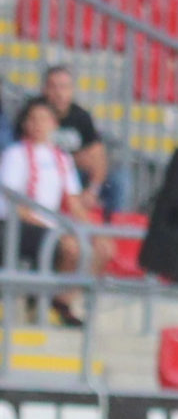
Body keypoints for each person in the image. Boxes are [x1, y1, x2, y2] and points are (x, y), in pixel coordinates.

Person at [2, 98, 93, 326]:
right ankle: (47, 302)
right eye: (32, 119)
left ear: (54, 124)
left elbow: (73, 201)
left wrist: (93, 231)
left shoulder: (62, 158)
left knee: (97, 248)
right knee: (69, 246)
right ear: (25, 124)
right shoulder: (15, 154)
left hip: (49, 226)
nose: (38, 124)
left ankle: (60, 302)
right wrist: (53, 227)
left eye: (43, 119)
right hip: (16, 225)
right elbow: (13, 204)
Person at [17, 66, 124, 220]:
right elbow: (26, 148)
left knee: (119, 179)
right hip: (44, 168)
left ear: (72, 90)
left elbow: (98, 156)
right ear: (44, 89)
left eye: (64, 87)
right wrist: (72, 159)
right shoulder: (33, 111)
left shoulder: (81, 117)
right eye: (54, 87)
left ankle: (114, 224)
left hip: (75, 173)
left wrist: (92, 190)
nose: (59, 93)